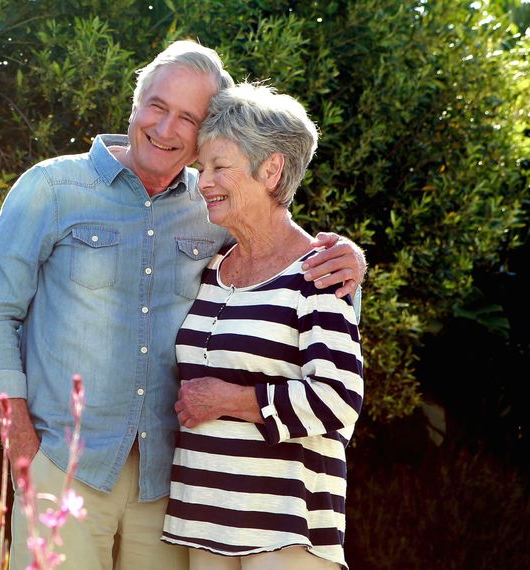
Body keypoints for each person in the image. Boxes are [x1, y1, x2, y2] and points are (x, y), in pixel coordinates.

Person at [0, 41, 365, 570]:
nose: (165, 128)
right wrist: (21, 446)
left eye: (188, 117)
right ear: (134, 104)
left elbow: (277, 261)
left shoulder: (214, 201)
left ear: (204, 134)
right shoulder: (51, 188)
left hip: (172, 481)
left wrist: (349, 263)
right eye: (156, 106)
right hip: (63, 463)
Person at [162, 83, 363, 570]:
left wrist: (230, 399)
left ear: (271, 170)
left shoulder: (317, 273)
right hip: (202, 524)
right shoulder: (211, 269)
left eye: (219, 167)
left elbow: (340, 401)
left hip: (285, 534)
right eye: (201, 167)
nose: (203, 181)